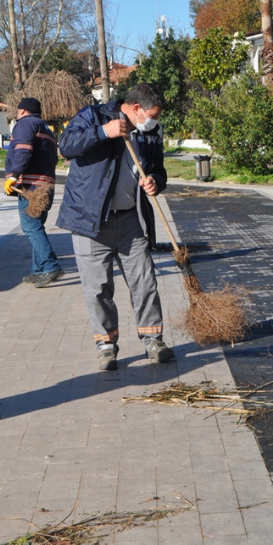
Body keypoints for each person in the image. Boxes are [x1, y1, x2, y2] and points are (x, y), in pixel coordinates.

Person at [57, 83, 174, 371]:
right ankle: (106, 346)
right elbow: (65, 146)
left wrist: (156, 181)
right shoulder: (93, 116)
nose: (154, 121)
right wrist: (103, 133)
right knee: (98, 288)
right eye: (150, 115)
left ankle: (152, 340)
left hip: (132, 219)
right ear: (135, 109)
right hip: (90, 221)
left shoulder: (151, 133)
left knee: (145, 281)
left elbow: (159, 169)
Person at [4, 97, 64, 288]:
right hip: (47, 185)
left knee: (30, 227)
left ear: (22, 111)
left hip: (31, 188)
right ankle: (38, 270)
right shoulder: (46, 128)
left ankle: (50, 266)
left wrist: (14, 175)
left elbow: (23, 151)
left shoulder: (24, 125)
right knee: (37, 226)